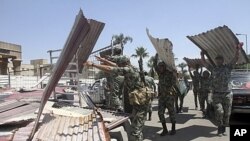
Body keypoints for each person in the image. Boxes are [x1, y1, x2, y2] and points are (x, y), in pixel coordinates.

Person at [84, 56, 150, 141]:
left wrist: (93, 64)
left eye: (120, 64)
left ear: (124, 64)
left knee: (135, 131)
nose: (119, 65)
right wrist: (105, 60)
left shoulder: (128, 70)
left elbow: (110, 68)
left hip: (141, 105)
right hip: (139, 103)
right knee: (137, 128)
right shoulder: (132, 68)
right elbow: (116, 66)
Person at [201, 42, 242, 136]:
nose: (218, 61)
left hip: (227, 94)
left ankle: (223, 128)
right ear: (215, 61)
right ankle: (219, 129)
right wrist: (202, 55)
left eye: (220, 59)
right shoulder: (213, 69)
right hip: (217, 94)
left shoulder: (228, 67)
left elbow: (235, 58)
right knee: (220, 111)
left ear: (223, 60)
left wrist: (238, 49)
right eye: (217, 59)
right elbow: (204, 63)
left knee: (227, 113)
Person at [153, 54, 178, 136]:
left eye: (161, 66)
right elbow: (154, 65)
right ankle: (165, 129)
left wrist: (174, 75)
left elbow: (174, 83)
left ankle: (173, 129)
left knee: (171, 113)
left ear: (164, 67)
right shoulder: (160, 74)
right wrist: (156, 56)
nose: (160, 68)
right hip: (161, 97)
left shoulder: (169, 73)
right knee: (160, 113)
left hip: (169, 96)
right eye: (159, 67)